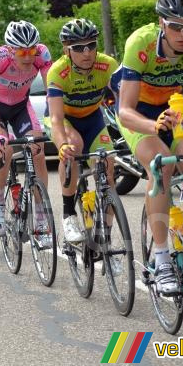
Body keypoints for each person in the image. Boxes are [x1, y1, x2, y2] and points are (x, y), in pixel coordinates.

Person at [117, 0, 183, 296]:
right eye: (176, 26)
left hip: (175, 107)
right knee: (160, 167)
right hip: (141, 114)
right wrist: (151, 125)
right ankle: (161, 259)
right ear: (162, 23)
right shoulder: (141, 44)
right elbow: (125, 110)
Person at [46, 18, 118, 245]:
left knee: (108, 166)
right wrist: (62, 145)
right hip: (65, 120)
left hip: (93, 118)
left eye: (92, 45)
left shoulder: (108, 66)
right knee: (73, 146)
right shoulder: (58, 72)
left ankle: (104, 239)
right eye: (78, 48)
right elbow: (56, 118)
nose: (87, 53)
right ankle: (68, 215)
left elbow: (122, 105)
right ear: (67, 50)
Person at [0, 21, 52, 237]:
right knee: (5, 150)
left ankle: (40, 216)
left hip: (21, 106)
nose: (29, 56)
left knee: (37, 148)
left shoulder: (42, 54)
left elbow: (52, 91)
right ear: (10, 49)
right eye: (22, 51)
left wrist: (54, 120)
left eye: (32, 50)